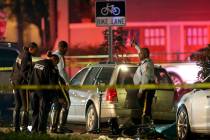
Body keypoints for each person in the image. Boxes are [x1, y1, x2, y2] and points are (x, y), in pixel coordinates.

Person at [10, 42, 38, 132]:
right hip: (22, 84)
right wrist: (29, 81)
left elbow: (14, 67)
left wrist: (11, 79)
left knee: (18, 105)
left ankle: (16, 127)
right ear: (31, 48)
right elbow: (23, 72)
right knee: (25, 106)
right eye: (35, 50)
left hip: (15, 82)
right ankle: (24, 128)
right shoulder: (27, 56)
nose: (36, 52)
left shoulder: (21, 54)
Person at [29, 52, 60, 134]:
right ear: (55, 61)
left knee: (35, 111)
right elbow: (52, 83)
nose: (56, 65)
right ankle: (41, 130)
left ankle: (34, 130)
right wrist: (55, 96)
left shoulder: (38, 62)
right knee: (43, 111)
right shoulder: (51, 67)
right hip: (43, 92)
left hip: (32, 90)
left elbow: (30, 74)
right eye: (57, 63)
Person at [50, 40, 72, 133]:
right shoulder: (59, 57)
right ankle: (61, 126)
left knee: (57, 104)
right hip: (60, 83)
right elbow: (61, 71)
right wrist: (67, 83)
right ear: (63, 48)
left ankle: (54, 127)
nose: (66, 51)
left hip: (54, 83)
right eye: (66, 49)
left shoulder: (54, 55)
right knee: (66, 103)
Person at [132, 40, 155, 124]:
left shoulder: (147, 64)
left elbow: (145, 80)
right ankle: (146, 124)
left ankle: (145, 126)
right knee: (144, 107)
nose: (139, 54)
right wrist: (136, 45)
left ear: (144, 55)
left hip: (147, 88)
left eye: (140, 53)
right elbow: (140, 51)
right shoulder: (145, 61)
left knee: (145, 109)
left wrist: (141, 92)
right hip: (145, 87)